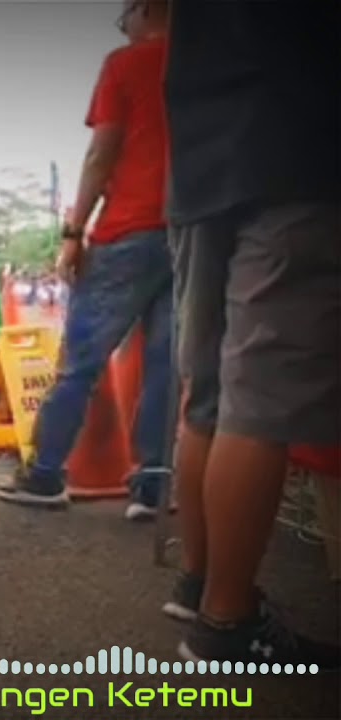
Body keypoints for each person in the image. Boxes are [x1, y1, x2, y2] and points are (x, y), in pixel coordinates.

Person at [162, 0, 340, 667]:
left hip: (202, 166)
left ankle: (198, 583)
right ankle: (226, 621)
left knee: (207, 395)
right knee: (260, 404)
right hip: (298, 149)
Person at [0, 0, 173, 520]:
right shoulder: (203, 66)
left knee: (81, 363)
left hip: (127, 231)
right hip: (189, 231)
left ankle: (46, 474)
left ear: (145, 9)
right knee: (166, 364)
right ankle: (153, 486)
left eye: (124, 16)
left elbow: (101, 152)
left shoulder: (125, 64)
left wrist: (74, 232)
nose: (124, 26)